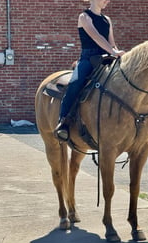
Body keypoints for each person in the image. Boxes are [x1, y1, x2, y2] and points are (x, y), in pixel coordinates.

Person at [55, 0, 125, 141]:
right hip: (88, 58)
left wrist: (118, 53)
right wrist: (112, 50)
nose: (107, 1)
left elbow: (112, 42)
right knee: (75, 83)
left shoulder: (107, 20)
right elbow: (96, 37)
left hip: (106, 58)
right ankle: (63, 122)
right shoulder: (84, 17)